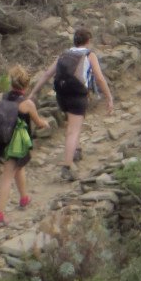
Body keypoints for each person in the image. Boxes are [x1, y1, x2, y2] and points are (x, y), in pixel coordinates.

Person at [32, 28, 114, 182]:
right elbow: (99, 78)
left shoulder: (64, 54)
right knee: (73, 130)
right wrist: (109, 97)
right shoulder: (89, 55)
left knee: (72, 125)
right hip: (77, 95)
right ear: (88, 41)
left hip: (62, 95)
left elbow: (47, 74)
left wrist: (33, 93)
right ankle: (67, 166)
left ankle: (75, 150)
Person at [0, 64, 50, 227]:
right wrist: (46, 123)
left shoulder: (0, 97)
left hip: (0, 142)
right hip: (15, 145)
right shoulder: (27, 104)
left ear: (11, 82)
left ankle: (24, 198)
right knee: (7, 177)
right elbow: (39, 123)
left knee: (18, 168)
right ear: (26, 85)